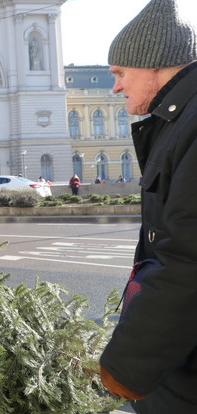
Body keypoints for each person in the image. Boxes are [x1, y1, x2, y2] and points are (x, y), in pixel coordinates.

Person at [98, 1, 197, 412]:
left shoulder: (190, 125)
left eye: (121, 73)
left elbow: (187, 258)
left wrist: (126, 366)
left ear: (154, 63)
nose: (116, 87)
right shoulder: (179, 122)